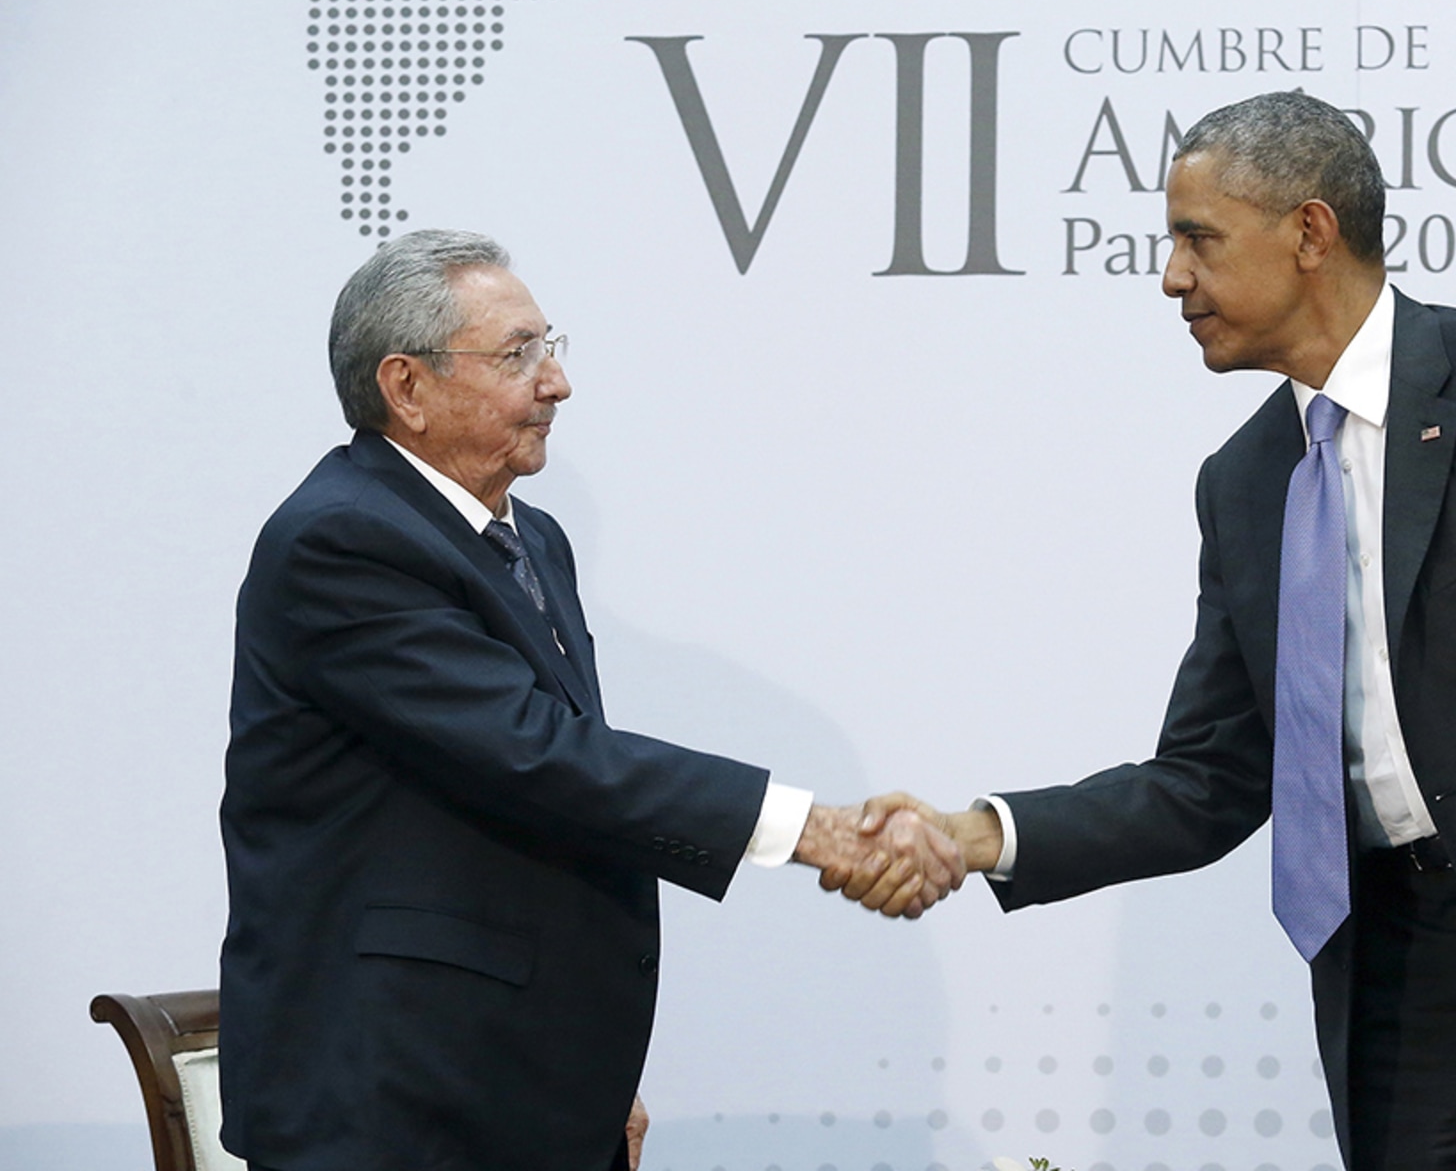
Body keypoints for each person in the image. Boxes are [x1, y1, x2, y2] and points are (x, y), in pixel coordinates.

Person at [852, 91, 1456, 1169]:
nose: (1171, 278)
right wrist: (976, 834)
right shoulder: (1246, 482)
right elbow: (1207, 778)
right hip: (1396, 998)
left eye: (1197, 239)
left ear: (1309, 232)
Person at [219, 229, 961, 1171]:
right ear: (406, 388)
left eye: (551, 347)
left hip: (512, 1079)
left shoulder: (533, 539)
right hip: (391, 1100)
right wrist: (809, 828)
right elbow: (537, 753)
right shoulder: (343, 542)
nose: (557, 382)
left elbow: (558, 804)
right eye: (517, 354)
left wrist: (585, 1072)